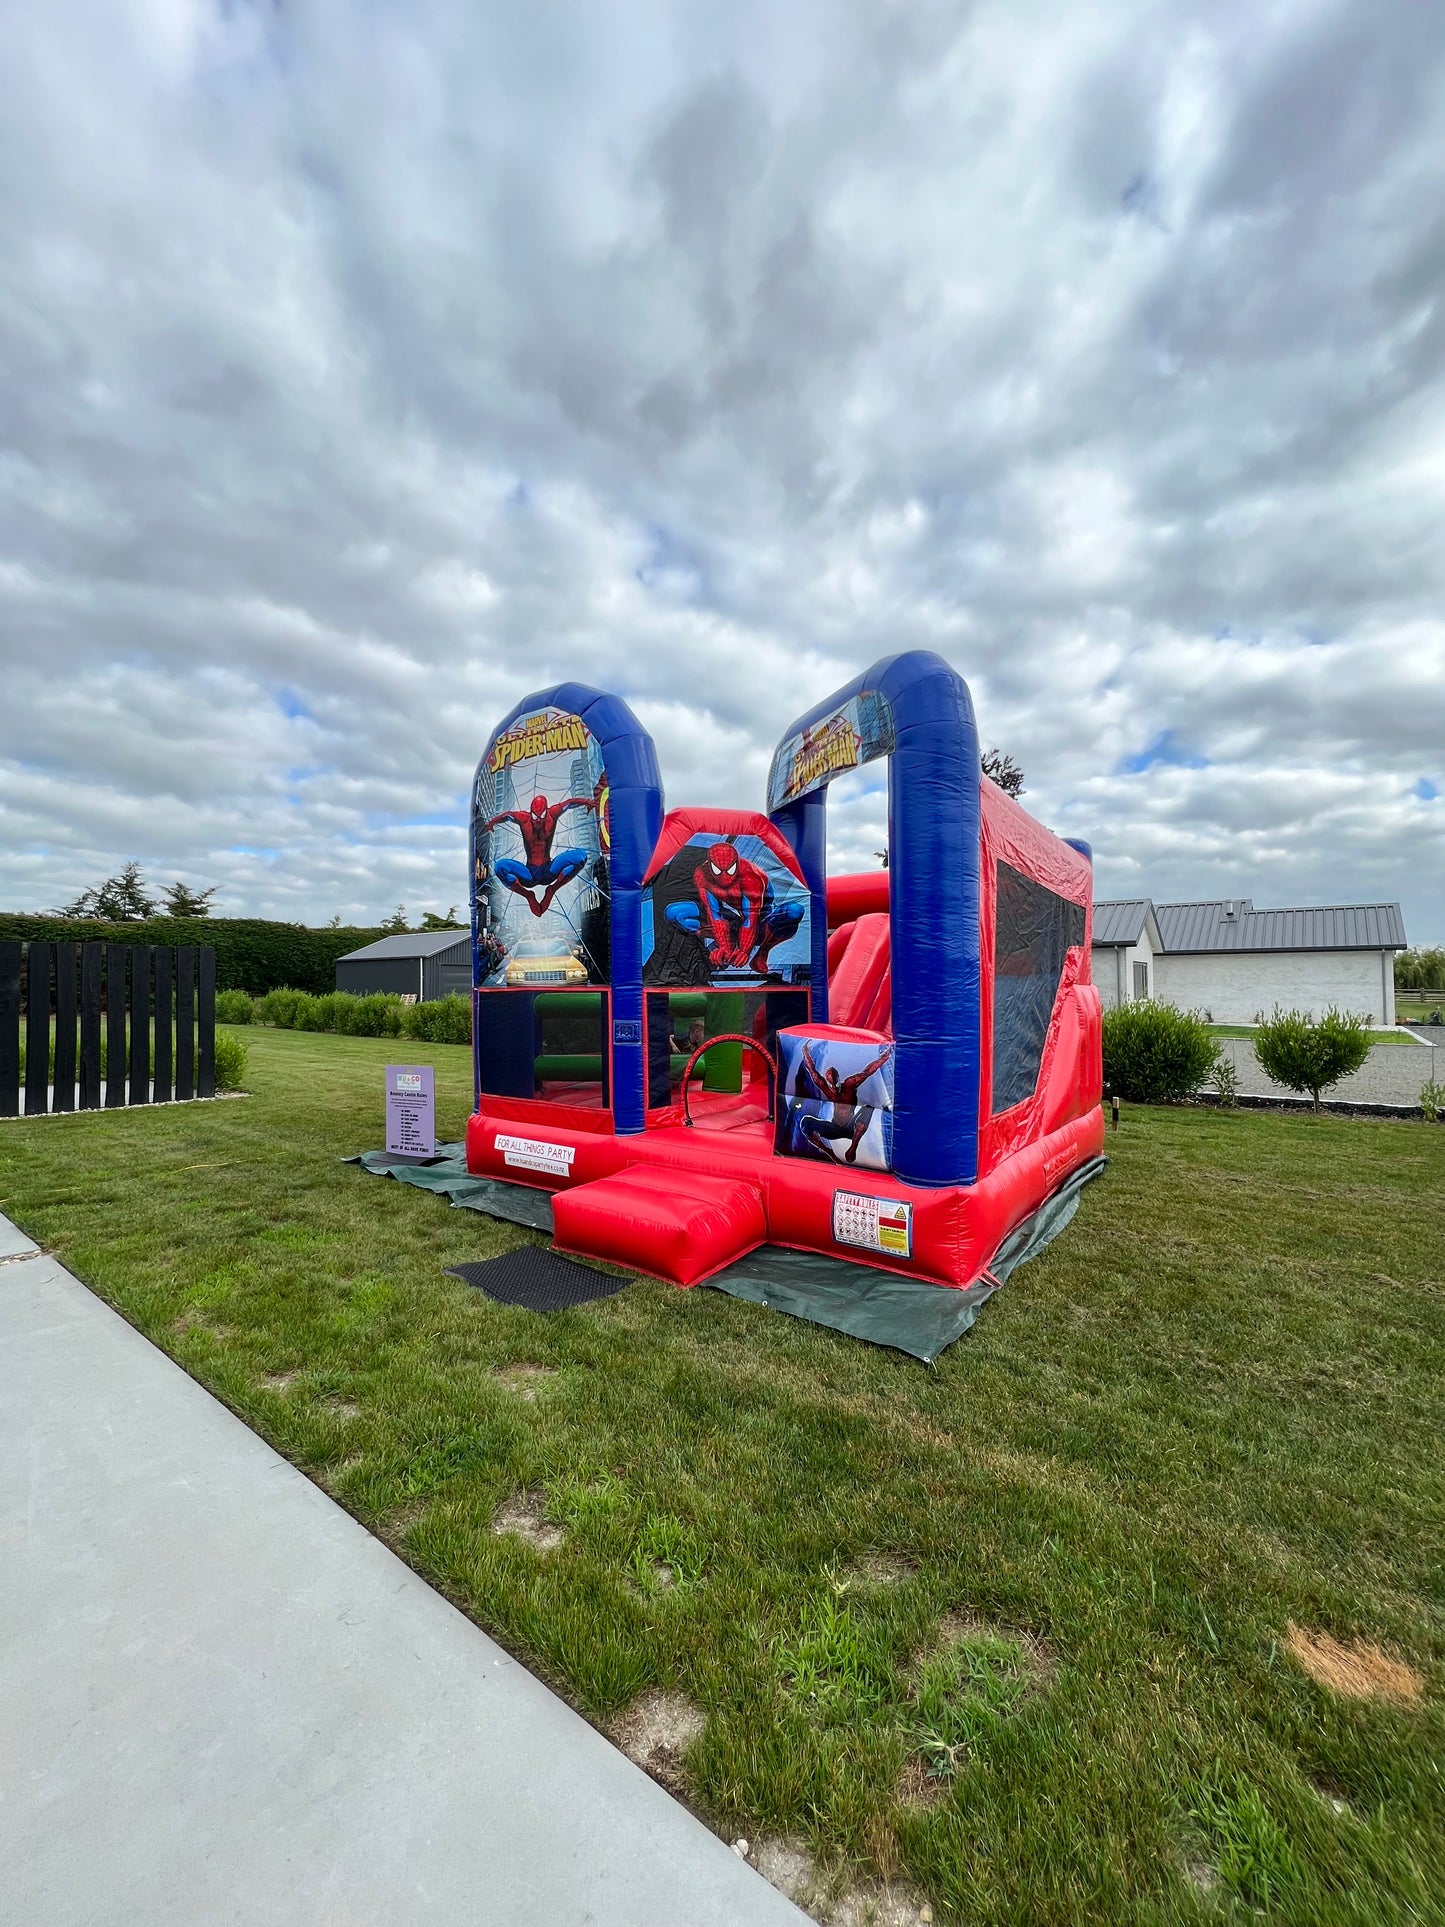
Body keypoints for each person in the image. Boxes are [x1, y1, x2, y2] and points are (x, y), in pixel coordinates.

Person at [665, 840, 803, 975]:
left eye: (729, 870)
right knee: (674, 912)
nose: (725, 877)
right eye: (718, 871)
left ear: (736, 863)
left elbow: (751, 917)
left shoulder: (750, 876)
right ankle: (730, 944)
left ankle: (762, 954)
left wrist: (744, 951)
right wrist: (724, 946)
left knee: (794, 911)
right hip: (733, 919)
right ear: (710, 864)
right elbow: (713, 913)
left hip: (761, 919)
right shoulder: (702, 875)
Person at [484, 793, 595, 918]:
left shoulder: (553, 813)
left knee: (580, 857)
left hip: (549, 870)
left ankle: (552, 890)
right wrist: (492, 822)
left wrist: (586, 801)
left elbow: (569, 803)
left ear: (546, 811)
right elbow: (507, 815)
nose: (537, 820)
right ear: (530, 812)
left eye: (541, 816)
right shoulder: (523, 818)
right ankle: (528, 895)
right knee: (500, 867)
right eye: (534, 816)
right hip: (529, 874)